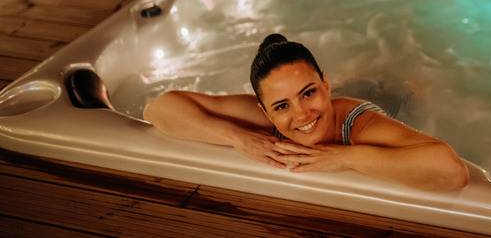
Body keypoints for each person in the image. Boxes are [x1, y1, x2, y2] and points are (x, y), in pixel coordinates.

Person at [143, 33, 469, 192]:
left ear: (324, 84)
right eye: (282, 106)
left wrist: (343, 157)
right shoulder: (262, 119)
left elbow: (452, 171)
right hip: (339, 92)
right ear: (264, 111)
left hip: (393, 98)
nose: (300, 116)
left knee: (417, 83)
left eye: (308, 93)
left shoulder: (358, 126)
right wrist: (238, 138)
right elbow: (157, 108)